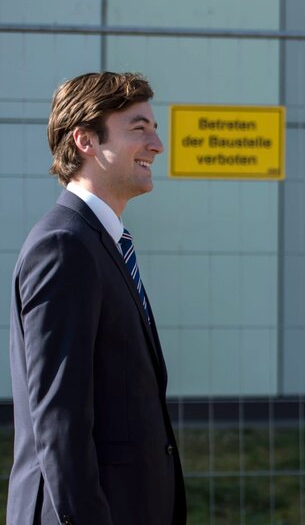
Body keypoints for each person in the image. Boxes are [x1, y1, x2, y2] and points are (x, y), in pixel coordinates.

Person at [7, 72, 186, 524]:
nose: (157, 144)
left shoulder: (99, 241)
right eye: (139, 128)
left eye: (155, 128)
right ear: (86, 140)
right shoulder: (65, 246)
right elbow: (59, 422)